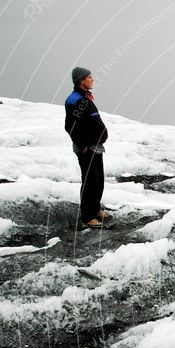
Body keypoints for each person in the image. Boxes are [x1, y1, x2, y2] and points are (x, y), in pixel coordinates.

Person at [64, 66, 110, 229]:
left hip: (95, 146)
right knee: (90, 181)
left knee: (98, 180)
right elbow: (71, 126)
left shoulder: (85, 98)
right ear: (81, 80)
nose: (92, 79)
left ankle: (95, 209)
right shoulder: (75, 100)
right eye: (89, 77)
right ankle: (87, 216)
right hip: (86, 148)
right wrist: (83, 145)